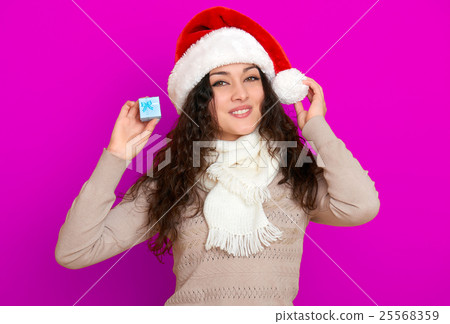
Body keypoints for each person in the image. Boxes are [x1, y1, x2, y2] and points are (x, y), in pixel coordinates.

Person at [55, 6, 380, 306]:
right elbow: (75, 251)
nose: (240, 93)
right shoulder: (174, 176)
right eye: (221, 83)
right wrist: (117, 155)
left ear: (267, 90)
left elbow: (360, 206)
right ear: (200, 101)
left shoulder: (293, 170)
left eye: (251, 78)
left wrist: (317, 130)